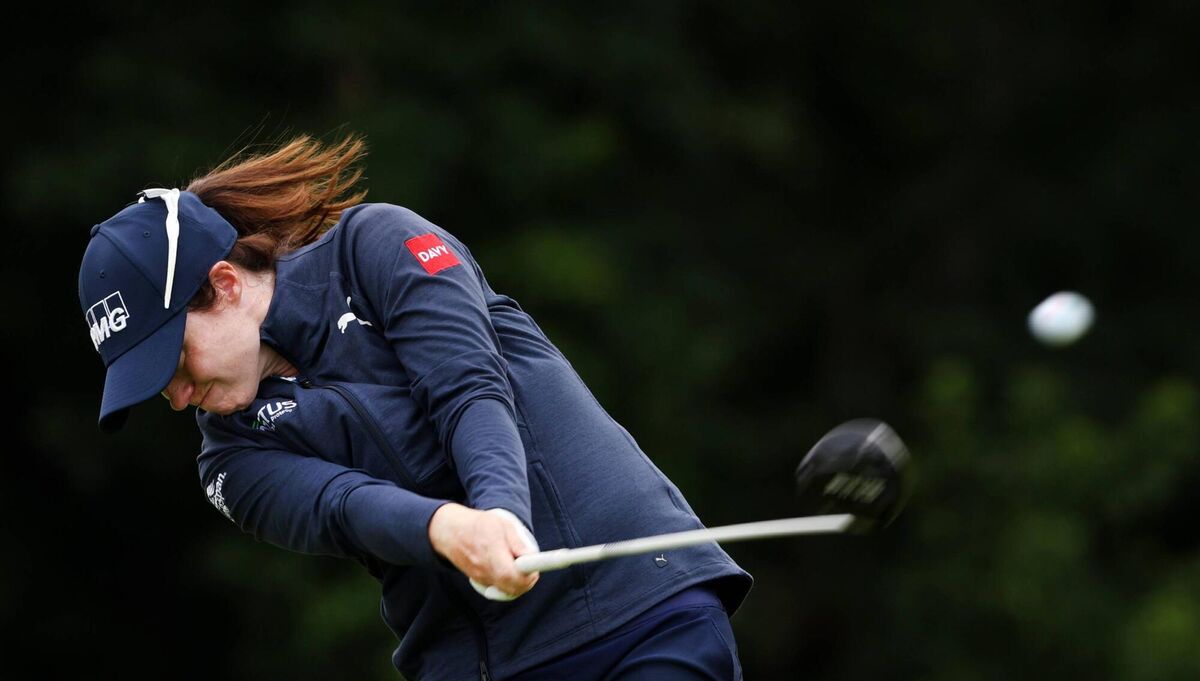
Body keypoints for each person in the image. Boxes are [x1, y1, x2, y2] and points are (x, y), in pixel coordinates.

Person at [77, 133, 753, 680]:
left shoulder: (378, 246)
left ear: (222, 284)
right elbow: (344, 504)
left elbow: (469, 390)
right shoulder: (229, 456)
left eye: (172, 361)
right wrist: (451, 531)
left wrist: (501, 516)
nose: (177, 395)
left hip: (642, 609)